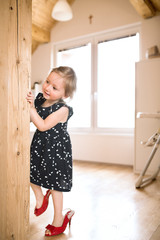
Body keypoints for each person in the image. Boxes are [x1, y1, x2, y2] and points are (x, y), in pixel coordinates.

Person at [26, 66, 77, 236]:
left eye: (54, 88)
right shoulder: (40, 100)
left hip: (57, 151)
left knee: (56, 186)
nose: (47, 88)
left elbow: (42, 125)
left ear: (65, 95)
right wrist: (28, 105)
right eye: (47, 81)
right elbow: (30, 119)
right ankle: (40, 197)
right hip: (40, 146)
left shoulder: (62, 109)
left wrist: (31, 108)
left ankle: (59, 219)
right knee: (28, 171)